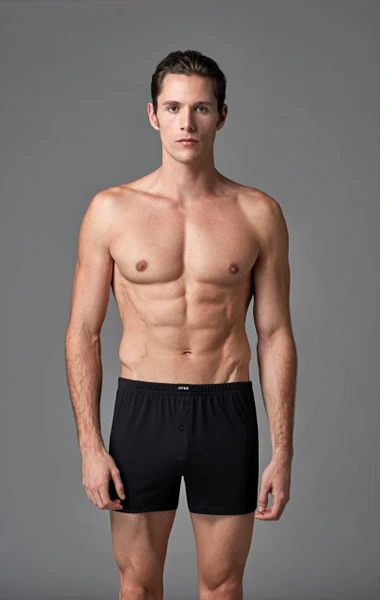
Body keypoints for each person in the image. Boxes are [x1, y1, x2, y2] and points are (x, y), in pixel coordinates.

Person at [65, 48, 297, 600]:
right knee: (137, 586)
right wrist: (90, 445)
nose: (186, 123)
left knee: (223, 587)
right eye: (173, 108)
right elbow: (83, 332)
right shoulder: (111, 210)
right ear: (153, 114)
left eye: (200, 108)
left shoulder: (258, 213)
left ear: (221, 116)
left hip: (226, 409)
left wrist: (283, 451)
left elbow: (275, 334)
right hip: (142, 411)